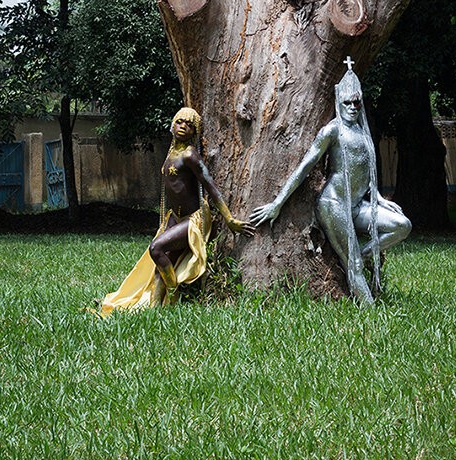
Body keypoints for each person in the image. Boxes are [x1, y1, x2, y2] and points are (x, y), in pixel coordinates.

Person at [250, 58, 411, 304]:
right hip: (333, 204)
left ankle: (362, 256)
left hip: (358, 205)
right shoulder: (332, 130)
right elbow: (305, 167)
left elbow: (366, 170)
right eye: (347, 102)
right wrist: (277, 203)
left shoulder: (363, 132)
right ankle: (370, 313)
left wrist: (378, 198)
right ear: (339, 101)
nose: (352, 107)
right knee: (353, 262)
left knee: (402, 225)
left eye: (356, 102)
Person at [97, 107, 253, 315]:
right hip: (175, 217)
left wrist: (230, 218)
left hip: (193, 219)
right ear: (173, 125)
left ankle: (173, 293)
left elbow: (211, 187)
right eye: (180, 122)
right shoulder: (171, 152)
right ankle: (155, 310)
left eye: (189, 125)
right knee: (162, 263)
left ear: (194, 132)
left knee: (156, 249)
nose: (183, 127)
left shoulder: (190, 155)